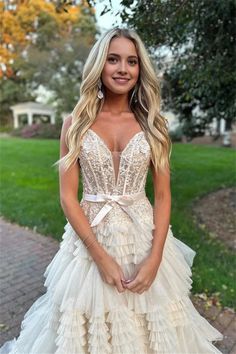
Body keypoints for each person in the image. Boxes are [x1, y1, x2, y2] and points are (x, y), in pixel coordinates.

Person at [0, 27, 223, 354]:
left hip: (142, 238)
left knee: (153, 324)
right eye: (113, 59)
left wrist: (156, 257)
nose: (123, 68)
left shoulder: (153, 124)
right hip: (91, 240)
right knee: (88, 326)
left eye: (132, 61)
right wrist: (100, 256)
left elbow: (162, 195)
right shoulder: (75, 122)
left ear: (140, 69)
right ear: (99, 66)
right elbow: (67, 196)